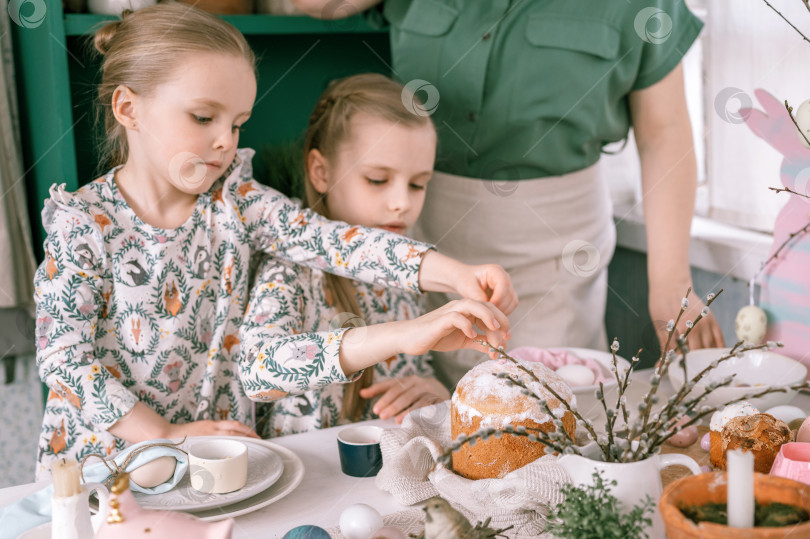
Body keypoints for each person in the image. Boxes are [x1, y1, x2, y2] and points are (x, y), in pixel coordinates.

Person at [33, 4, 514, 479]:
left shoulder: (237, 201)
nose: (225, 140)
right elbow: (65, 358)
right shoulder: (83, 223)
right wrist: (166, 432)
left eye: (236, 123)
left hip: (214, 458)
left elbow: (332, 241)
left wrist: (456, 274)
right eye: (204, 117)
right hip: (102, 469)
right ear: (128, 108)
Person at [292, 0, 725, 387]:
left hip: (554, 244)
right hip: (419, 232)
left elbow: (664, 133)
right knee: (422, 414)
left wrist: (671, 282)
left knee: (545, 413)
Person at [240, 74, 475, 435]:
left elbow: (416, 371)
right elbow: (258, 370)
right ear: (321, 172)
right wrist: (398, 334)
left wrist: (435, 392)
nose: (401, 203)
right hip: (312, 472)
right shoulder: (291, 266)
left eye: (417, 184)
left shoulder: (407, 269)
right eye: (377, 180)